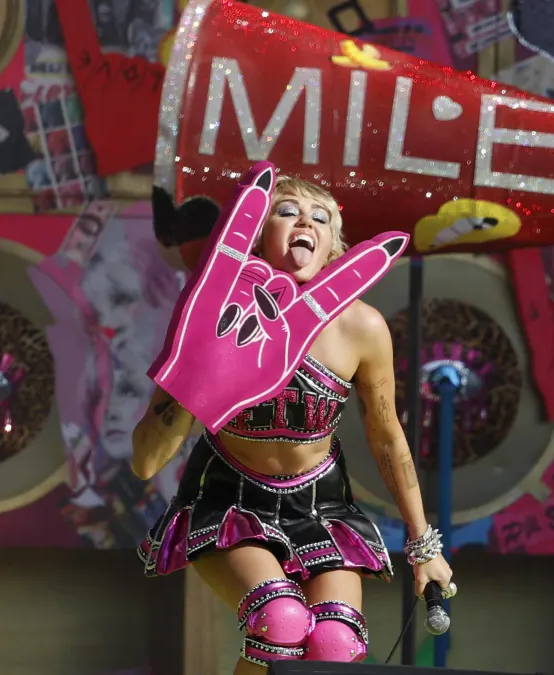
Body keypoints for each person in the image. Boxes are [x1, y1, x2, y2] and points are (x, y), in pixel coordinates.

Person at [133, 174, 455, 673]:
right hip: (229, 496)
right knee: (280, 622)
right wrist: (196, 374)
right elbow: (145, 461)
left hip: (320, 504)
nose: (305, 220)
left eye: (320, 217)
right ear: (260, 238)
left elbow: (387, 434)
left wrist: (423, 547)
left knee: (334, 645)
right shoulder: (219, 315)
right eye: (287, 211)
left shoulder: (362, 328)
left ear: (333, 247)